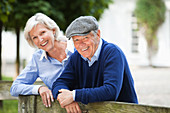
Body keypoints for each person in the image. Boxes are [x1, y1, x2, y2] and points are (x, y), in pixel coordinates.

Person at [52, 16, 138, 110]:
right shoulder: (76, 57)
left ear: (98, 35)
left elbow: (111, 91)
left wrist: (73, 95)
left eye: (85, 38)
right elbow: (59, 83)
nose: (81, 45)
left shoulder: (112, 53)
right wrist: (65, 99)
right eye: (76, 40)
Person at [10, 13, 77, 109]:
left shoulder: (77, 46)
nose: (40, 40)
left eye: (42, 33)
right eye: (35, 37)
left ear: (53, 31)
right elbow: (15, 88)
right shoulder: (37, 59)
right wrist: (39, 88)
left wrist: (71, 97)